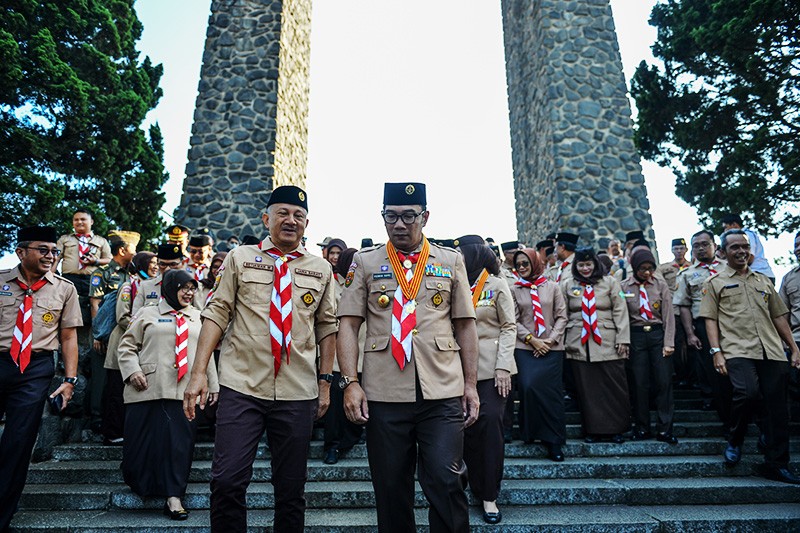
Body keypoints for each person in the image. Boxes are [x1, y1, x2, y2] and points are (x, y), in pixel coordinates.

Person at [182, 185, 338, 533]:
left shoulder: (321, 269)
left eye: (298, 216)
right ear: (266, 218)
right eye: (282, 213)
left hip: (298, 390)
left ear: (307, 223)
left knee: (291, 489)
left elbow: (328, 327)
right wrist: (199, 374)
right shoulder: (240, 257)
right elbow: (217, 312)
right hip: (242, 385)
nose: (290, 220)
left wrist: (325, 384)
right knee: (226, 481)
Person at [336, 182, 480, 533]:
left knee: (447, 481)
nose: (399, 225)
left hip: (442, 390)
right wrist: (350, 383)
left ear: (425, 217)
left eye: (408, 217)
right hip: (384, 391)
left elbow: (465, 325)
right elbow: (348, 325)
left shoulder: (451, 261)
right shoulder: (365, 262)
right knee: (390, 486)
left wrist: (471, 384)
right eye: (391, 216)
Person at [699, 229, 800, 484]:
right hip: (737, 349)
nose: (741, 251)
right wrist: (716, 352)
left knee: (779, 409)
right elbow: (710, 319)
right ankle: (735, 438)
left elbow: (778, 315)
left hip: (772, 350)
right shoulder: (715, 283)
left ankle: (777, 464)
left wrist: (793, 347)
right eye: (735, 247)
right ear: (723, 252)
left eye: (744, 246)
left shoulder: (764, 281)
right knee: (747, 392)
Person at [118, 269, 220, 519]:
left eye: (192, 288)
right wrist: (132, 371)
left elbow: (207, 355)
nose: (189, 292)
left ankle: (174, 496)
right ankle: (144, 484)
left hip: (185, 391)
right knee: (139, 445)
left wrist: (213, 384)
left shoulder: (199, 317)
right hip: (146, 388)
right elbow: (127, 346)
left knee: (179, 446)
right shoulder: (146, 313)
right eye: (183, 287)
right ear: (169, 288)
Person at [0, 226, 82, 531]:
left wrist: (70, 379)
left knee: (18, 442)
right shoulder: (0, 282)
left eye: (54, 251)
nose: (50, 256)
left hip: (35, 368)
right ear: (21, 252)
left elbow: (69, 336)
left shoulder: (65, 289)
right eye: (43, 250)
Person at [457, 235, 515, 524]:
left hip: (493, 371)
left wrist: (504, 366)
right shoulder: (454, 282)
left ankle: (489, 495)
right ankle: (466, 481)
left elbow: (508, 326)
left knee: (490, 425)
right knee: (462, 428)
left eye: (462, 253)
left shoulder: (496, 283)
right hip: (456, 370)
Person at [561, 247, 630, 443]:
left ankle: (616, 429)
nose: (585, 269)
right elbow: (563, 314)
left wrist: (623, 339)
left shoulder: (610, 282)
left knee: (613, 387)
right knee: (587, 390)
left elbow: (620, 310)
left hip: (608, 341)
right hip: (579, 343)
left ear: (595, 264)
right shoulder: (567, 285)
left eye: (588, 264)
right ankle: (592, 430)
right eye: (581, 265)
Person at [511, 247, 568, 460]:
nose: (522, 268)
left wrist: (550, 340)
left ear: (535, 263)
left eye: (526, 263)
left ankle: (554, 441)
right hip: (525, 347)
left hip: (552, 347)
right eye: (518, 265)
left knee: (551, 393)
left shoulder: (552, 287)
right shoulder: (514, 289)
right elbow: (513, 320)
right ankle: (531, 432)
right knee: (528, 386)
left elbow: (562, 316)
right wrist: (532, 340)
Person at [673, 230, 732, 424]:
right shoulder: (687, 274)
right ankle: (712, 398)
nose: (700, 248)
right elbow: (684, 305)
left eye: (705, 244)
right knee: (708, 366)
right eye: (696, 245)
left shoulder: (729, 267)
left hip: (732, 323)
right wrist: (690, 333)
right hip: (703, 323)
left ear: (715, 245)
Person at [621, 249, 677, 444]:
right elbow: (622, 317)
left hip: (657, 335)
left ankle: (665, 429)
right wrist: (624, 341)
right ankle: (642, 427)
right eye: (642, 269)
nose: (646, 273)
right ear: (634, 268)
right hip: (636, 336)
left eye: (650, 269)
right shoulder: (624, 287)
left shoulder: (660, 285)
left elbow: (669, 316)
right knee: (639, 383)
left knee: (663, 382)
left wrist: (669, 343)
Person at [101, 251, 156, 446]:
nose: (156, 266)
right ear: (141, 264)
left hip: (142, 346)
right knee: (116, 390)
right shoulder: (128, 286)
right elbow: (122, 316)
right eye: (152, 263)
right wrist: (146, 329)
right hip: (122, 343)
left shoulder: (154, 286)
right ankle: (113, 432)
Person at [87, 232, 138, 428]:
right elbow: (95, 304)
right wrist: (98, 335)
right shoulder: (103, 273)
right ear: (123, 250)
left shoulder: (134, 273)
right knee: (101, 377)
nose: (136, 253)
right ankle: (97, 419)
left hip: (126, 332)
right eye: (133, 249)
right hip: (105, 332)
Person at [322, 247, 365, 465]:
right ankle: (332, 446)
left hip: (366, 354)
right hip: (340, 355)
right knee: (337, 406)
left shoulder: (367, 282)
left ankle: (353, 437)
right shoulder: (333, 283)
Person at [658, 238, 692, 388]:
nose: (679, 251)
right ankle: (680, 375)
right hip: (673, 310)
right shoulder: (664, 268)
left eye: (681, 248)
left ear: (686, 250)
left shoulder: (692, 267)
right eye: (676, 248)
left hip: (691, 309)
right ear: (672, 250)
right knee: (677, 343)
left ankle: (693, 376)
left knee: (692, 345)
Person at [131, 244, 186, 316]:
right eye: (163, 264)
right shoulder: (145, 286)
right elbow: (135, 316)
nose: (168, 269)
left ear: (182, 264)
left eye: (173, 264)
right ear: (158, 264)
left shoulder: (192, 287)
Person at [721, 213, 775, 283]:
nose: (725, 231)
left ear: (734, 224)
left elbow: (750, 258)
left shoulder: (747, 235)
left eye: (725, 227)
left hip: (760, 274)